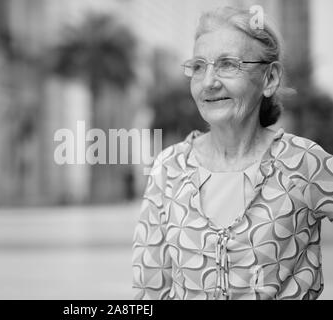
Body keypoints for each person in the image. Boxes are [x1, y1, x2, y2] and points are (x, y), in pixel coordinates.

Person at [132, 6, 333, 300]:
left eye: (228, 64)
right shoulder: (168, 168)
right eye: (198, 66)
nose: (209, 81)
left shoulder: (304, 163)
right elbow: (149, 291)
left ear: (270, 79)